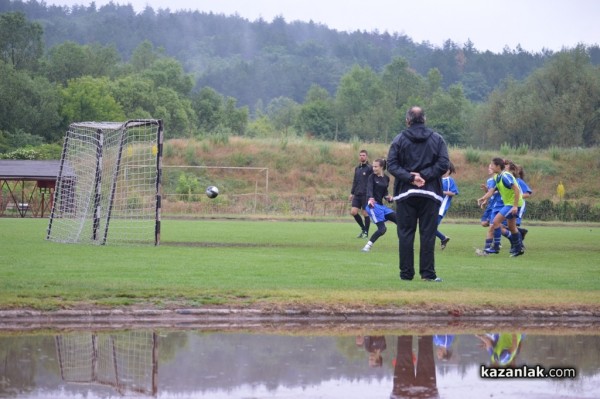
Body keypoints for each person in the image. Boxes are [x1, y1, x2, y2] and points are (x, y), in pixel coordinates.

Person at [387, 106, 450, 282]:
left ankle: (406, 275)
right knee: (428, 234)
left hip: (405, 194)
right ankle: (427, 274)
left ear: (408, 120)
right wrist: (425, 176)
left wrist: (410, 178)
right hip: (430, 193)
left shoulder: (399, 139)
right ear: (424, 119)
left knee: (406, 234)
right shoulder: (437, 139)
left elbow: (391, 164)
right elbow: (444, 163)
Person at [477, 158, 524, 257]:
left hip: (513, 204)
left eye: (492, 165)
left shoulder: (505, 176)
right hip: (509, 204)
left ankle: (496, 247)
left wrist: (515, 206)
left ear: (498, 166)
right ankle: (518, 249)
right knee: (511, 227)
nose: (490, 166)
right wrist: (483, 198)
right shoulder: (497, 177)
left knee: (495, 222)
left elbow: (517, 190)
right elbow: (491, 191)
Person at [362, 158, 397, 252]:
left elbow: (385, 193)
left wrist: (388, 198)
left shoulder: (386, 178)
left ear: (381, 167)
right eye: (373, 166)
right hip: (373, 206)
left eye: (375, 166)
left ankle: (406, 245)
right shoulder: (371, 177)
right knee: (382, 229)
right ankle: (367, 247)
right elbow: (369, 189)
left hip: (381, 206)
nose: (373, 168)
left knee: (400, 221)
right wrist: (370, 198)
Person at [349, 149, 373, 238]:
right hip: (357, 194)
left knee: (365, 213)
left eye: (363, 155)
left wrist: (372, 193)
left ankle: (366, 233)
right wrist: (352, 193)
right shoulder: (357, 168)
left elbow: (372, 181)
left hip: (366, 194)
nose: (361, 156)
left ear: (366, 157)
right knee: (353, 212)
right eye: (360, 155)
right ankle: (363, 229)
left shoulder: (370, 168)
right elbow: (355, 181)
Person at [435, 162, 458, 250]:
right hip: (433, 206)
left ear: (448, 170)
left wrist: (442, 192)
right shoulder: (438, 179)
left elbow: (453, 192)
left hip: (441, 208)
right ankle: (443, 238)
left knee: (431, 228)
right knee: (428, 227)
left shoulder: (449, 180)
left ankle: (443, 238)